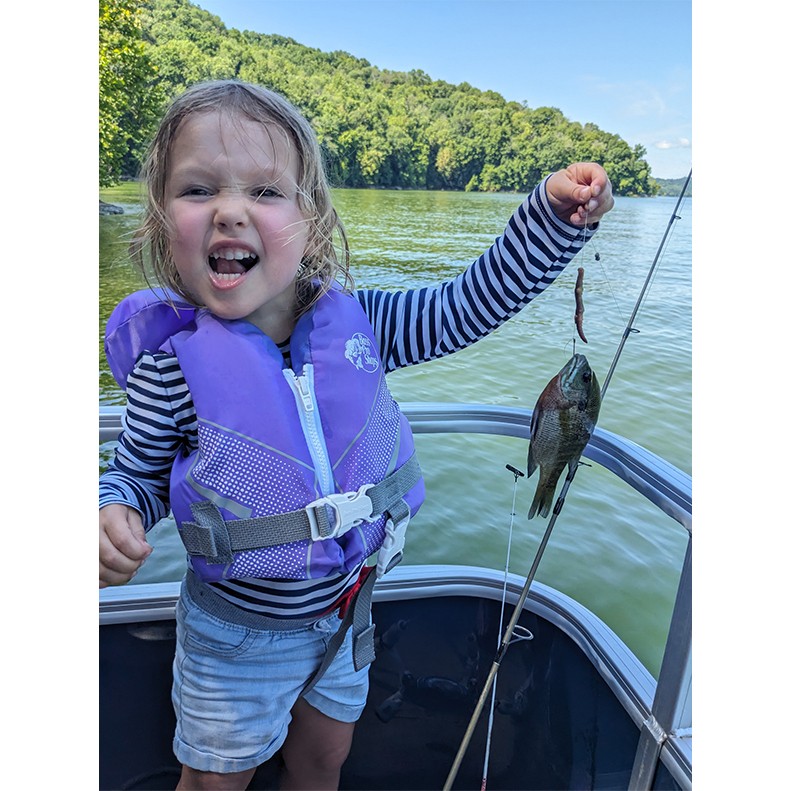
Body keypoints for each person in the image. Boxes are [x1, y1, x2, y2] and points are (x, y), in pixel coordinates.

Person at [99, 79, 613, 790]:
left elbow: (467, 305)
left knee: (324, 760)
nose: (229, 210)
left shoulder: (365, 321)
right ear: (162, 223)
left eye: (265, 191)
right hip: (234, 639)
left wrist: (550, 221)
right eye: (197, 189)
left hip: (347, 613)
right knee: (215, 781)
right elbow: (138, 472)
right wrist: (114, 509)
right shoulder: (171, 367)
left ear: (311, 222)